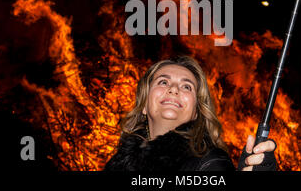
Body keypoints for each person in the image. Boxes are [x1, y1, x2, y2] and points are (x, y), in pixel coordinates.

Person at [105, 56, 277, 171]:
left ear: (197, 112)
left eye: (186, 86)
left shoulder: (210, 162)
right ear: (144, 105)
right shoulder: (117, 163)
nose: (173, 89)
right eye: (163, 82)